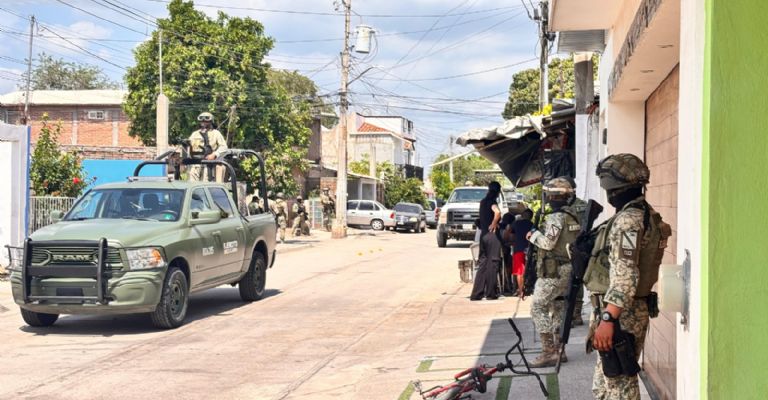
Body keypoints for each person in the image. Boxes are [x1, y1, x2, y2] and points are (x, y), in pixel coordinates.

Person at [587, 154, 670, 400]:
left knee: (620, 385)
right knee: (606, 384)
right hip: (627, 309)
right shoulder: (644, 214)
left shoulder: (628, 221)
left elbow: (626, 276)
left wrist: (607, 318)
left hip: (623, 313)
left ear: (613, 187)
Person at [526, 177, 581, 367]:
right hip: (568, 269)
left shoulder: (556, 218)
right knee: (557, 307)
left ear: (553, 196)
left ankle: (549, 351)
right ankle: (559, 350)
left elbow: (548, 243)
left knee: (537, 307)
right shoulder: (573, 215)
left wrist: (532, 235)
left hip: (554, 271)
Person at [470, 181, 502, 301]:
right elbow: (497, 212)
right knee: (493, 263)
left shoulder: (483, 202)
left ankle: (476, 294)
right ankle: (491, 293)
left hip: (483, 236)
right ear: (498, 192)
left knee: (483, 263)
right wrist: (494, 223)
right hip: (492, 235)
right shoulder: (492, 202)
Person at [188, 112, 228, 181]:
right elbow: (188, 145)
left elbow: (224, 147)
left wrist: (214, 154)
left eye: (206, 121)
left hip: (209, 162)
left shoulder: (215, 133)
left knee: (206, 181)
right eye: (202, 121)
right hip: (196, 162)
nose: (203, 122)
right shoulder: (195, 134)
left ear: (211, 122)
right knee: (192, 181)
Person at [505, 208, 534, 298]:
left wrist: (510, 240)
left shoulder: (516, 223)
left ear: (522, 215)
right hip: (530, 250)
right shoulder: (532, 225)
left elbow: (507, 233)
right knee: (529, 270)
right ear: (531, 217)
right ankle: (528, 288)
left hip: (518, 250)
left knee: (519, 272)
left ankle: (521, 290)